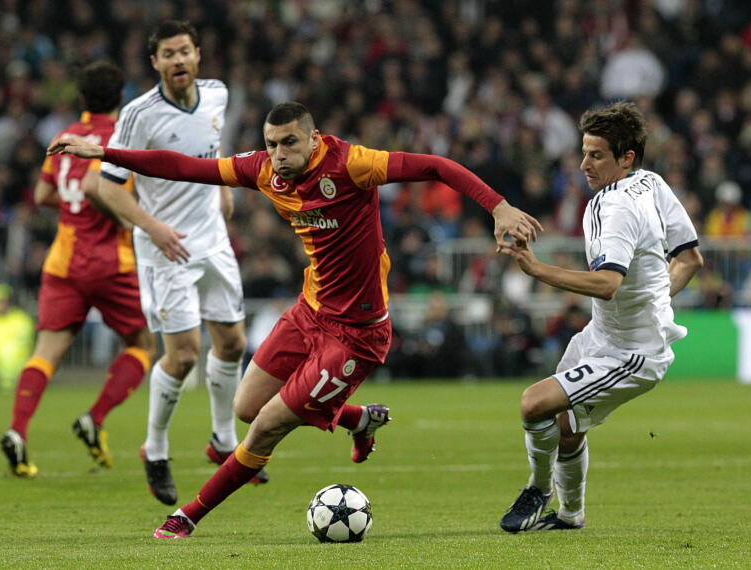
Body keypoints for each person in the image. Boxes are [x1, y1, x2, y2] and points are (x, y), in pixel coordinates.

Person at [48, 100, 542, 538]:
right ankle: (359, 418)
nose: (279, 153)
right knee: (245, 406)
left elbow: (435, 165)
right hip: (310, 311)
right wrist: (106, 153)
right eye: (271, 144)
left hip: (357, 335)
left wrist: (498, 207)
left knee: (264, 427)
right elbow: (183, 167)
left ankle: (188, 516)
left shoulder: (354, 164)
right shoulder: (263, 170)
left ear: (313, 139)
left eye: (289, 143)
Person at [497, 101, 703, 532]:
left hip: (631, 353)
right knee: (567, 425)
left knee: (534, 404)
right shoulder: (652, 183)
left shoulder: (616, 208)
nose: (583, 165)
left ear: (626, 157)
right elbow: (689, 259)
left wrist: (538, 269)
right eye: (583, 152)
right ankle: (570, 515)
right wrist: (655, 302)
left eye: (596, 155)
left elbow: (608, 284)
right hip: (601, 335)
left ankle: (539, 488)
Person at [96, 20, 264, 505]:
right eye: (168, 54)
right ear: (155, 63)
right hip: (164, 250)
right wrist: (154, 228)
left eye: (184, 51)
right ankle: (155, 448)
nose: (178, 61)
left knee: (232, 343)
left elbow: (212, 147)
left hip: (212, 241)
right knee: (185, 353)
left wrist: (224, 187)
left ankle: (223, 440)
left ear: (197, 54)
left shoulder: (217, 94)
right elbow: (108, 186)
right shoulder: (138, 114)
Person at [0, 60, 156, 478]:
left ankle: (17, 430)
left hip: (63, 259)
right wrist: (127, 218)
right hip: (110, 260)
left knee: (46, 352)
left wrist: (73, 207)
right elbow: (106, 190)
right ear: (120, 97)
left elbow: (42, 194)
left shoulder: (64, 137)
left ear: (82, 98)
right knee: (143, 345)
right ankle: (95, 417)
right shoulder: (120, 138)